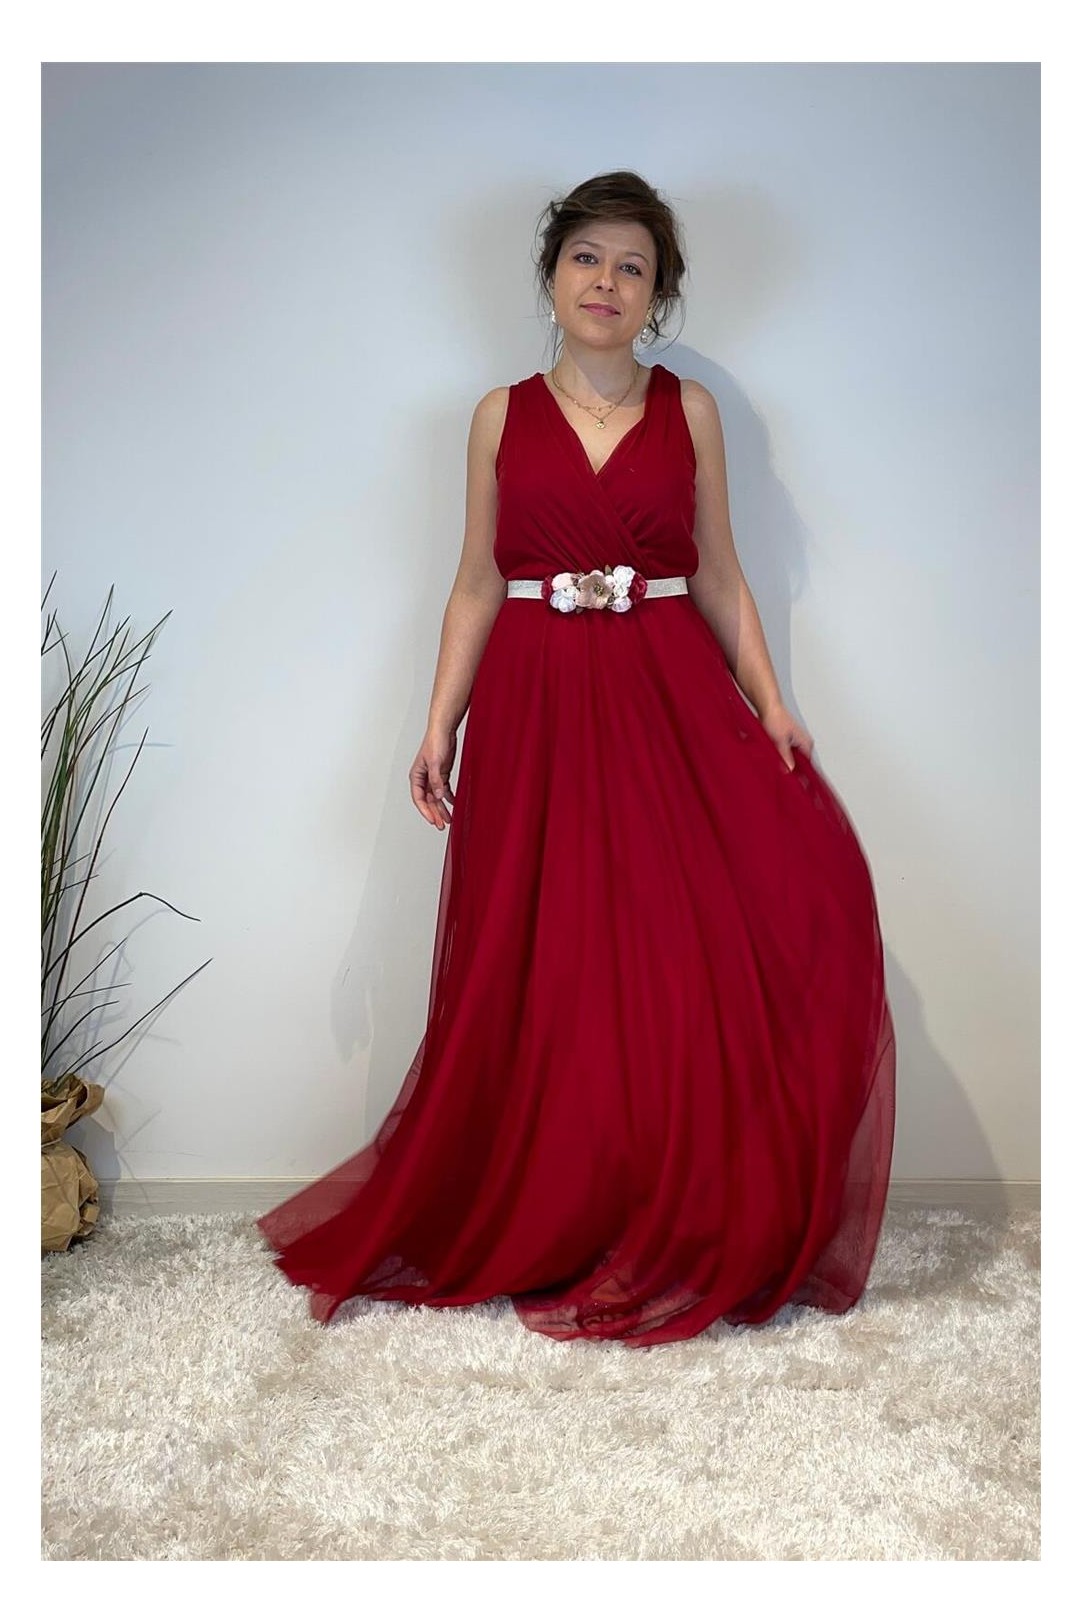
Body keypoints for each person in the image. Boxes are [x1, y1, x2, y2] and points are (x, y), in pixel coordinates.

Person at [255, 170, 897, 1347]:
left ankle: (670, 1211)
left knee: (677, 951)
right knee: (543, 956)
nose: (605, 281)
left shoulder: (689, 411)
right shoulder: (496, 415)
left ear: (657, 295)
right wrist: (439, 722)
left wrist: (772, 702)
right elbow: (473, 581)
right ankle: (555, 1210)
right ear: (551, 276)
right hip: (536, 704)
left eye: (631, 266)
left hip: (666, 698)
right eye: (586, 258)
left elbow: (717, 573)